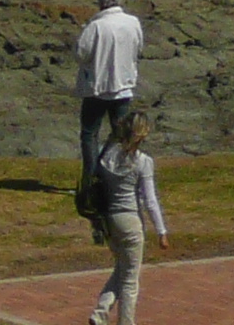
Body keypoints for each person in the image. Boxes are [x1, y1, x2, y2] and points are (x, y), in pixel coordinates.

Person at [86, 106, 170, 325]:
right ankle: (125, 322)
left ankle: (100, 313)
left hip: (109, 220)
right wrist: (161, 230)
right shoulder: (143, 161)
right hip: (131, 221)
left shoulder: (107, 155)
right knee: (131, 279)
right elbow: (150, 200)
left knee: (121, 270)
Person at [73, 0, 143, 219]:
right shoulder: (133, 23)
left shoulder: (96, 26)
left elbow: (81, 53)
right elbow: (138, 48)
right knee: (120, 135)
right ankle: (118, 179)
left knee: (89, 134)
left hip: (97, 89)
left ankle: (91, 178)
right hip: (123, 88)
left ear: (101, 2)